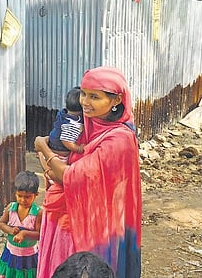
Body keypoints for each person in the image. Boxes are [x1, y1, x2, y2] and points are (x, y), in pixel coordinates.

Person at [34, 66, 142, 278]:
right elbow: (63, 170)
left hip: (87, 230)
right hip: (64, 216)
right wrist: (55, 166)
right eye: (83, 93)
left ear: (116, 100)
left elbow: (68, 176)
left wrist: (43, 148)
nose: (84, 101)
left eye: (94, 96)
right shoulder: (88, 125)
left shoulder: (119, 140)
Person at [0, 171, 43, 278]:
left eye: (27, 197)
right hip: (11, 253)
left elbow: (39, 234)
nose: (23, 200)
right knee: (10, 273)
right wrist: (10, 230)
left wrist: (24, 233)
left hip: (28, 257)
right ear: (15, 193)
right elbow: (1, 223)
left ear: (36, 195)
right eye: (20, 196)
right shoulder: (11, 208)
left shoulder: (38, 213)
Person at [48, 87, 84, 158]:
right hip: (60, 149)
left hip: (52, 142)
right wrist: (78, 149)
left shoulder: (63, 113)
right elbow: (65, 140)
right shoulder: (72, 124)